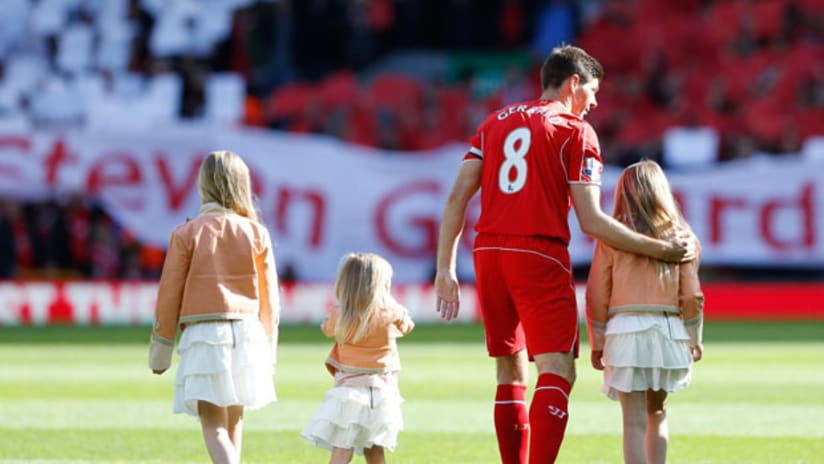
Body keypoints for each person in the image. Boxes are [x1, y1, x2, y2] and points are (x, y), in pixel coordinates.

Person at [433, 45, 695, 464]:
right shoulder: (576, 130)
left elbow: (457, 197)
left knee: (509, 371)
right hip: (537, 252)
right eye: (592, 90)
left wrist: (445, 267)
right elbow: (591, 220)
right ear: (573, 82)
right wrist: (660, 248)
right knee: (557, 371)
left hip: (488, 252)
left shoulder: (494, 122)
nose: (594, 102)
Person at [148, 150, 280, 464]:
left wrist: (161, 350)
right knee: (234, 422)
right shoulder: (256, 232)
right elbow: (270, 299)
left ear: (203, 185)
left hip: (206, 334)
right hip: (248, 332)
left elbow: (169, 296)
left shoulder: (186, 233)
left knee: (213, 424)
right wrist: (268, 349)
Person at [586, 159, 704, 464]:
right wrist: (694, 335)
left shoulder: (613, 238)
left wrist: (597, 339)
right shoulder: (682, 238)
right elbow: (691, 295)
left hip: (625, 330)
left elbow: (597, 294)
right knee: (658, 413)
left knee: (632, 420)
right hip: (667, 330)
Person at [302, 252, 415, 464]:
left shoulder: (339, 315)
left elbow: (327, 329)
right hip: (381, 392)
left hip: (348, 392)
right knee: (375, 451)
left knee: (342, 450)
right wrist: (390, 301)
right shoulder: (391, 314)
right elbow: (408, 325)